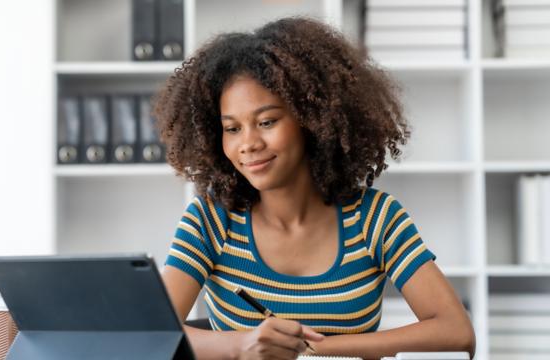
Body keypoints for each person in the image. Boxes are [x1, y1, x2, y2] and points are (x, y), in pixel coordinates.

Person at [154, 17, 475, 360]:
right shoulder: (211, 220)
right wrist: (242, 345)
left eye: (266, 122)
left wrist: (311, 350)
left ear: (312, 120)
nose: (247, 144)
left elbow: (456, 333)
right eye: (232, 129)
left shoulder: (375, 218)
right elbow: (155, 335)